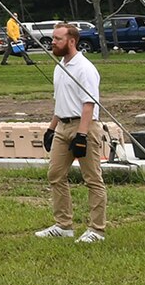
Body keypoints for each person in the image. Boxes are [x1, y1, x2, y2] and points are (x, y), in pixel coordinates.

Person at [35, 21, 106, 242]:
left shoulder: (85, 69)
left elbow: (88, 105)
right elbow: (61, 102)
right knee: (55, 174)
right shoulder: (59, 67)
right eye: (53, 39)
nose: (53, 43)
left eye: (58, 39)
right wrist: (51, 128)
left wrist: (82, 136)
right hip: (62, 127)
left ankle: (96, 229)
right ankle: (63, 225)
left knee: (92, 178)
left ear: (71, 41)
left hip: (83, 126)